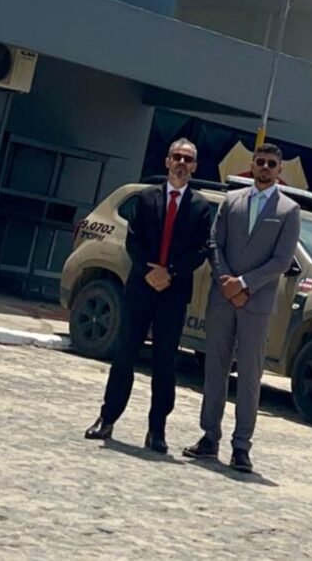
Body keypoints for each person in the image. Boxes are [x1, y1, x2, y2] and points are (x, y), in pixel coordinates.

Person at [84, 139, 212, 453]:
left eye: (188, 159)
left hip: (173, 292)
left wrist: (170, 273)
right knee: (125, 355)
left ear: (194, 166)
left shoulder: (200, 207)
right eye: (176, 157)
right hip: (141, 288)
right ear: (167, 161)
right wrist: (149, 272)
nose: (181, 163)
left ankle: (157, 429)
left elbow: (201, 250)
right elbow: (133, 240)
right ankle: (107, 418)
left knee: (164, 363)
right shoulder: (145, 198)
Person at [183, 143, 301, 473]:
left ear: (279, 170)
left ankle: (241, 446)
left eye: (271, 164)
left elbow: (282, 260)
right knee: (215, 369)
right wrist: (227, 283)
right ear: (252, 164)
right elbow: (214, 244)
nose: (265, 167)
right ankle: (209, 437)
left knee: (250, 375)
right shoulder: (231, 201)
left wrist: (245, 284)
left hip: (256, 302)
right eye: (260, 162)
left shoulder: (289, 210)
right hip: (222, 298)